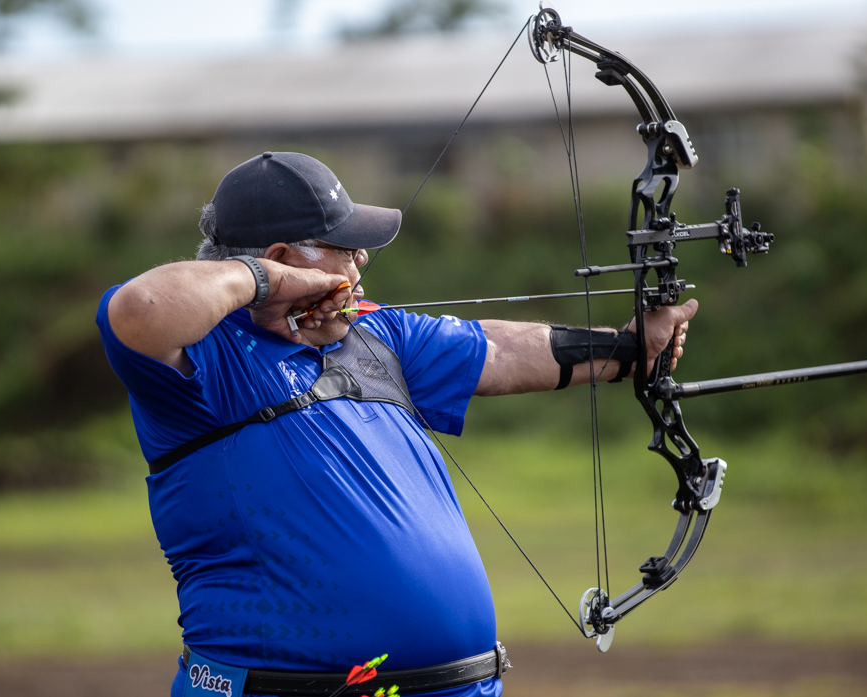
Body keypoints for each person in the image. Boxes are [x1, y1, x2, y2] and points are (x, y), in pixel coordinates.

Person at [96, 152, 696, 697]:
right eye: (342, 247)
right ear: (280, 259)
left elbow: (501, 348)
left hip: (454, 686)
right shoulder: (203, 357)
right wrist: (272, 285)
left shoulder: (375, 333)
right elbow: (140, 308)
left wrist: (629, 348)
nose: (360, 261)